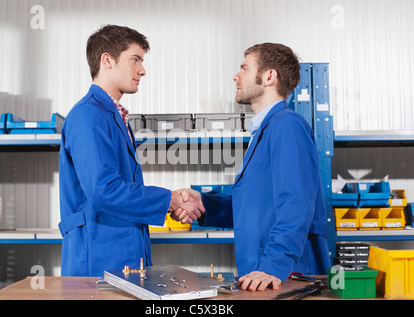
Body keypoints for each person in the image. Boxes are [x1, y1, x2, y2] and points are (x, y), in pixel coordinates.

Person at [176, 43, 330, 291]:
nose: (236, 76)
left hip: (286, 275)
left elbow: (296, 203)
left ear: (269, 76)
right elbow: (254, 206)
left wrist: (274, 265)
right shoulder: (265, 131)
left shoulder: (287, 125)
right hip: (263, 274)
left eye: (245, 68)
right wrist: (204, 205)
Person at [58, 25, 204, 277]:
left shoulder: (112, 116)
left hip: (122, 251)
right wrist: (170, 200)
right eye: (135, 60)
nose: (142, 70)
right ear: (107, 60)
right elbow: (103, 190)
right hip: (97, 258)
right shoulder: (88, 116)